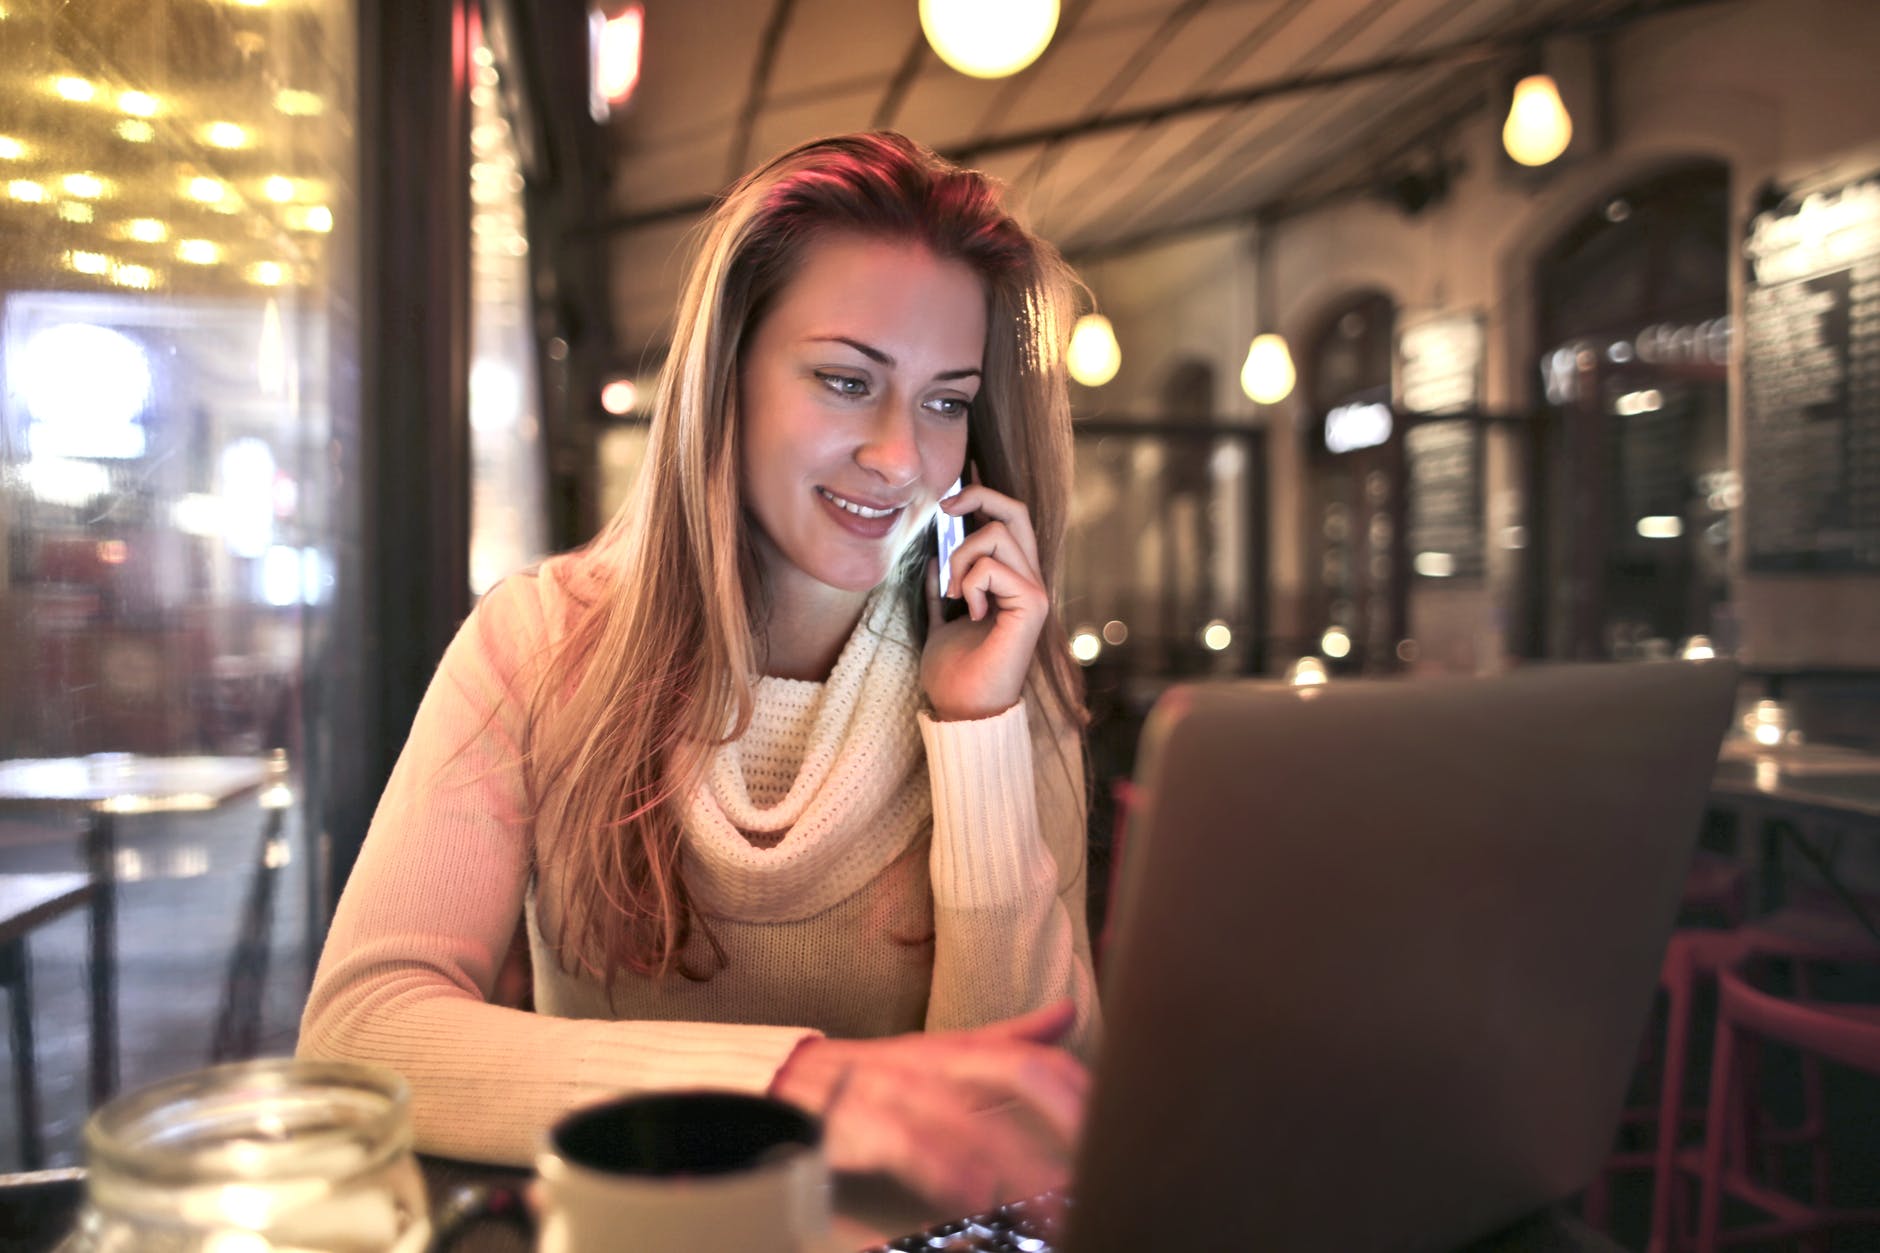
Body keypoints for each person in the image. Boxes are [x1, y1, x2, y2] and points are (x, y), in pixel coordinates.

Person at [299, 131, 1099, 1214]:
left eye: (944, 400)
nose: (901, 456)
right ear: (725, 376)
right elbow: (361, 1033)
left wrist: (976, 728)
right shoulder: (537, 641)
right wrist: (796, 1085)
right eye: (845, 379)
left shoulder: (1002, 675)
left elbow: (1019, 1132)